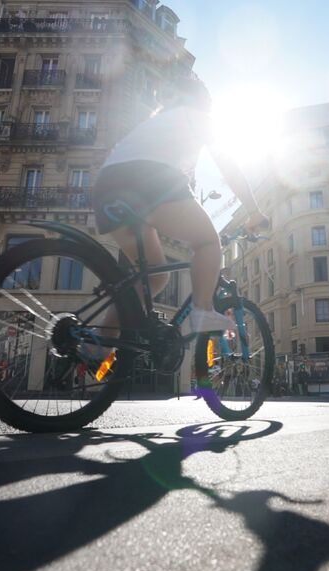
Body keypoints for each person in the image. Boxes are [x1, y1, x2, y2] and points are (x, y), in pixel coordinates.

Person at [87, 76, 269, 360]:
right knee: (208, 242)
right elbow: (229, 166)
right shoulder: (198, 116)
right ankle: (203, 311)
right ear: (202, 102)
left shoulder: (157, 121)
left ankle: (99, 343)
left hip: (106, 189)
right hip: (150, 181)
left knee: (155, 274)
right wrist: (254, 211)